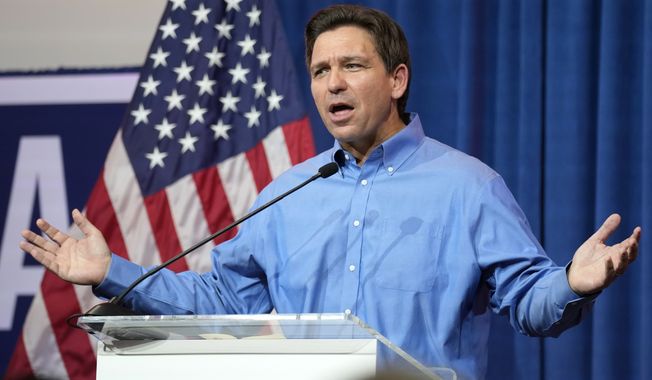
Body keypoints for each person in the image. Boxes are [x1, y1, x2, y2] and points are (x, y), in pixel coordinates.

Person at [20, 4, 640, 379]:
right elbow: (219, 301)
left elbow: (530, 302)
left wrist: (570, 283)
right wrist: (111, 272)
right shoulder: (287, 193)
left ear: (396, 79)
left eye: (352, 66)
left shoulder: (467, 187)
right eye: (319, 71)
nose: (331, 84)